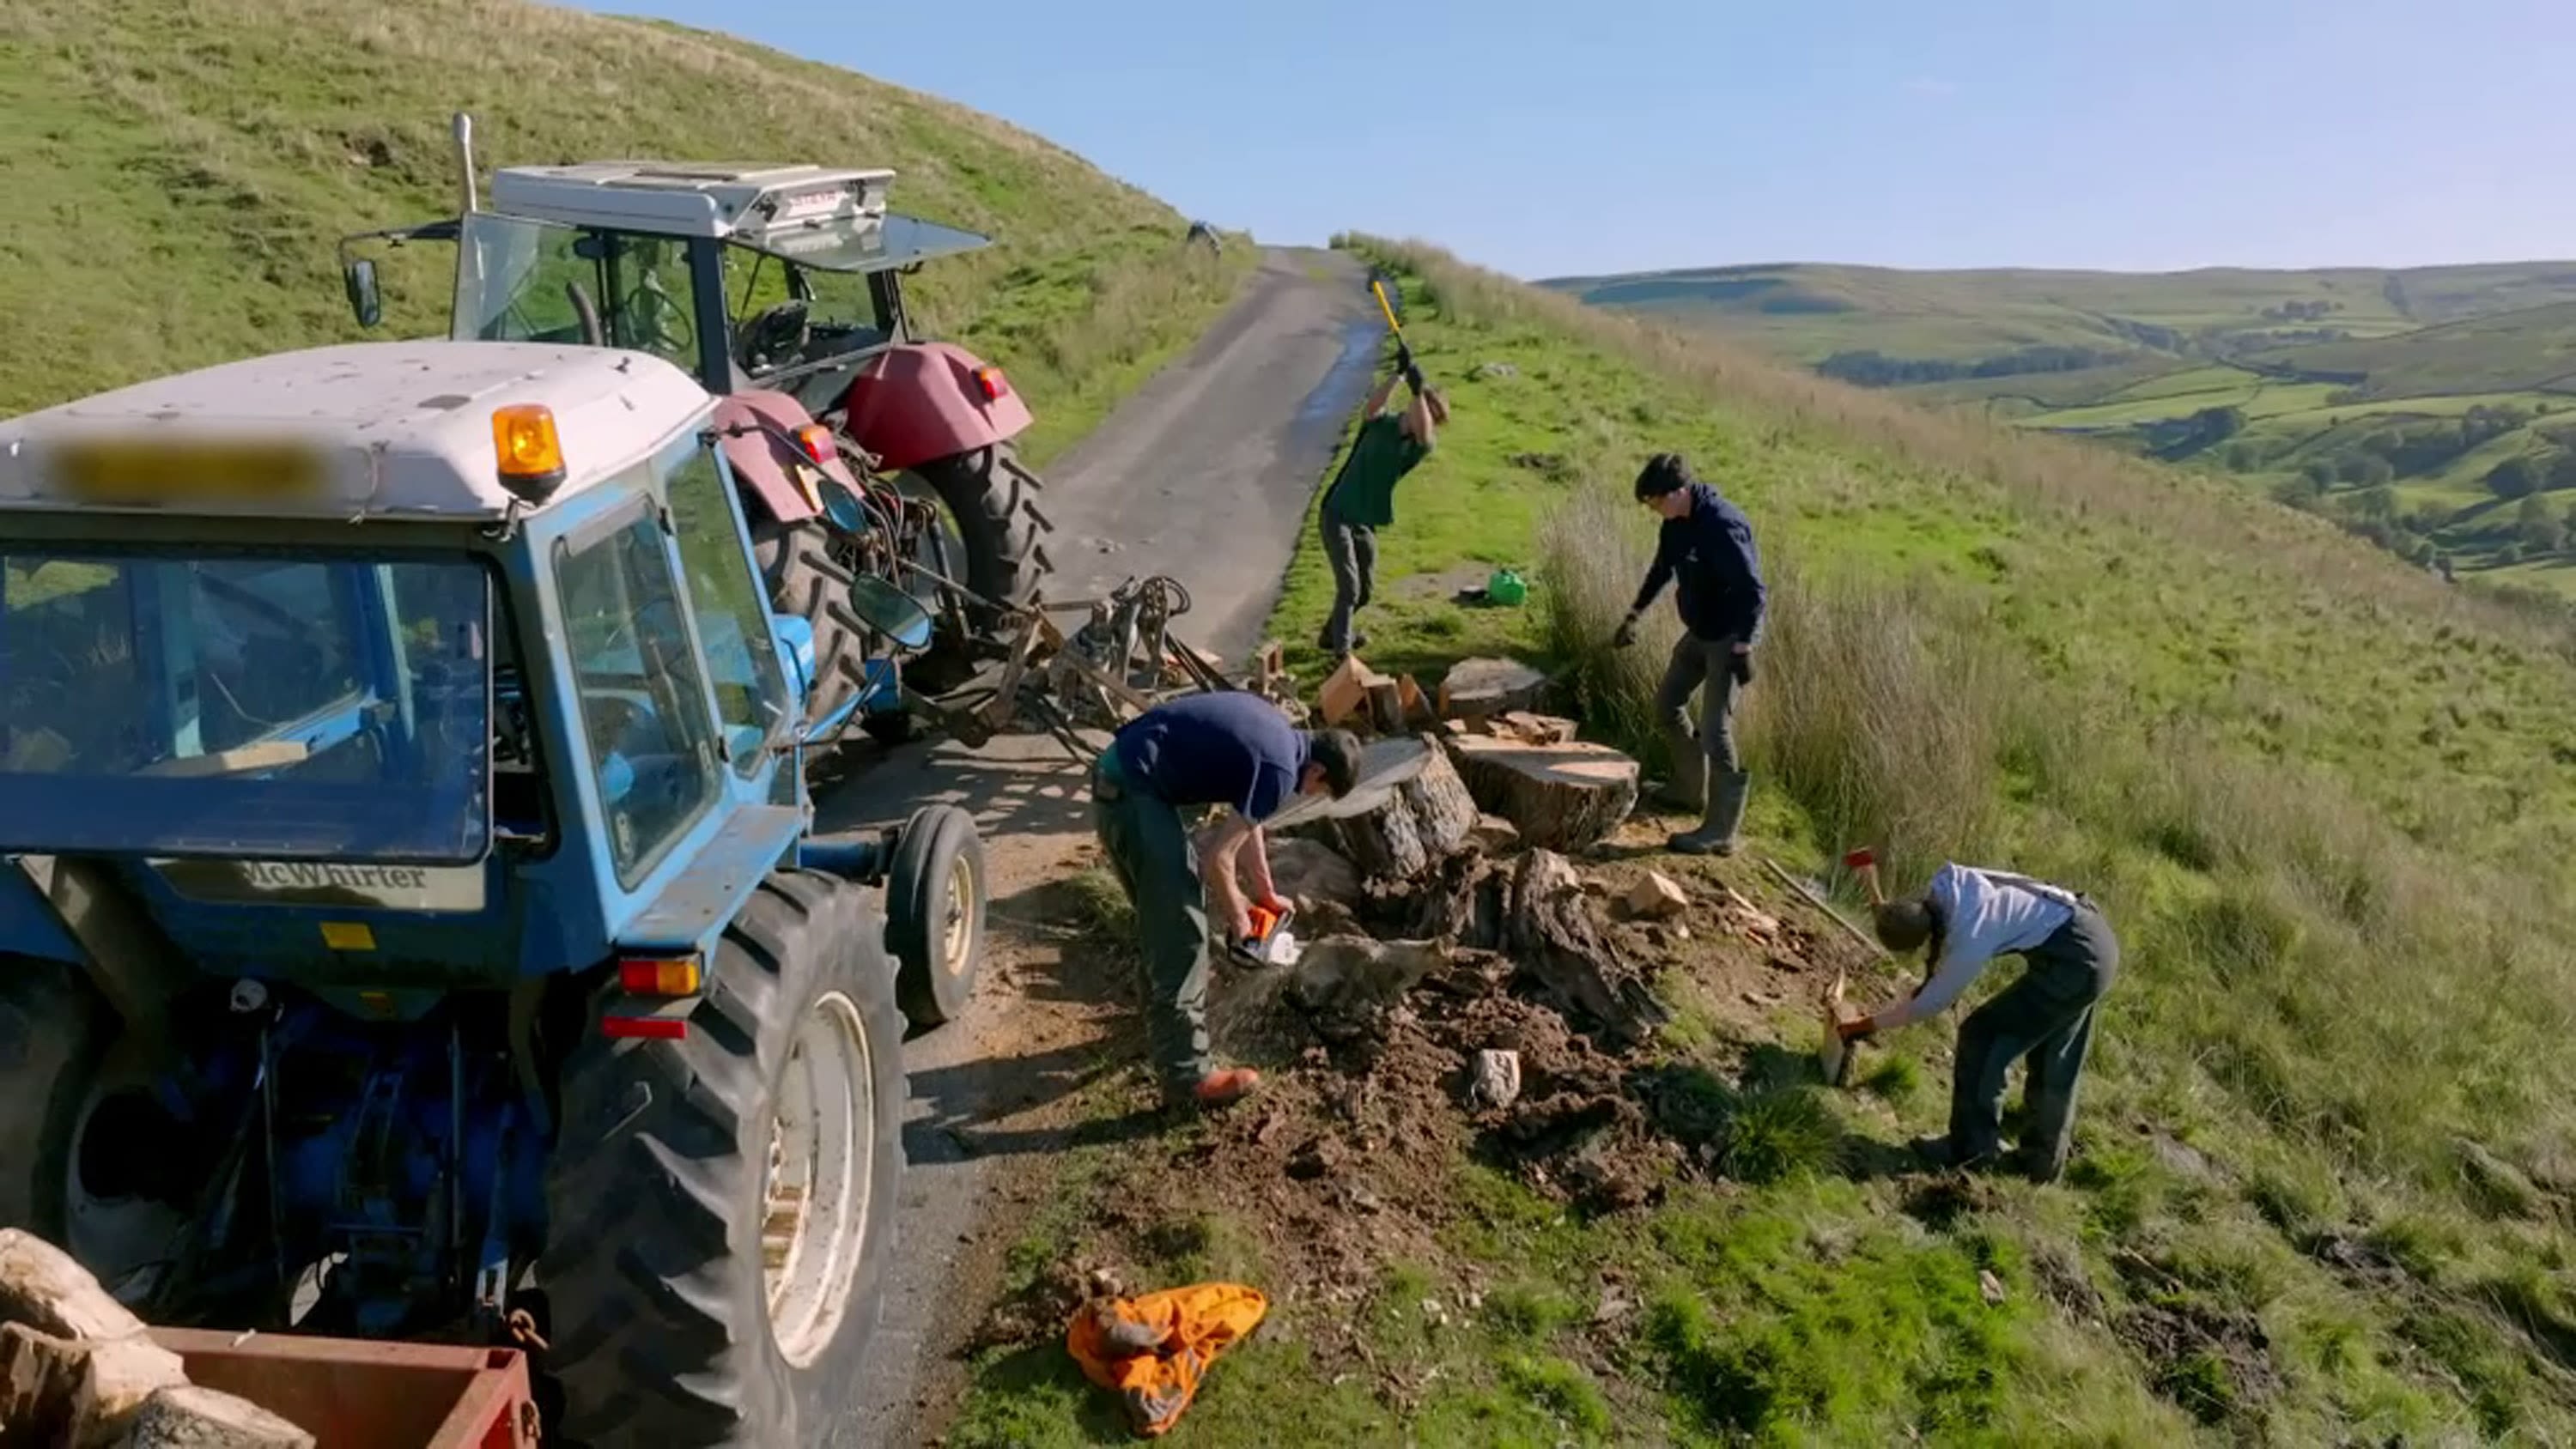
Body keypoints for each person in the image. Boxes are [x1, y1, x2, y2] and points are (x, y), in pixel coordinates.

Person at [1090, 692, 1364, 1111]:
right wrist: (1240, 921)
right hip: (1136, 791)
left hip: (1122, 778)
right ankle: (1188, 1078)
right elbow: (1218, 858)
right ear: (1318, 770)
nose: (1309, 795)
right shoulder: (1280, 768)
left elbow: (1249, 819)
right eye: (1318, 791)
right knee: (1183, 931)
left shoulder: (1280, 739)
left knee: (1161, 922)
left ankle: (1160, 1032)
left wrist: (1265, 891)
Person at [1835, 863, 2121, 1184]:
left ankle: (1971, 1152)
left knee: (1982, 1037)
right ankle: (2040, 1165)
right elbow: (1908, 922)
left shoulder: (1972, 935)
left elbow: (1927, 1005)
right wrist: (1884, 912)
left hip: (2077, 961)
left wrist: (1863, 1026)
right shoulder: (1948, 882)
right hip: (2091, 935)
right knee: (2053, 1055)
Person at [1610, 453, 1767, 854]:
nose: (1654, 510)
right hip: (1700, 631)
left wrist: (1744, 645)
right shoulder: (1674, 525)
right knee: (1666, 705)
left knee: (1715, 729)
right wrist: (1633, 616)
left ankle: (1720, 831)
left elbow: (1753, 592)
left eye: (1656, 502)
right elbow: (1662, 570)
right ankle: (1688, 789)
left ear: (1678, 492)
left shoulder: (1723, 525)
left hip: (1730, 637)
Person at [1315, 343, 1448, 656]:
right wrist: (1399, 375)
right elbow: (1373, 406)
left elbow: (1426, 433)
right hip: (1336, 512)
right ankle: (1343, 655)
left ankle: (1329, 636)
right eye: (1429, 414)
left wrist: (1418, 393)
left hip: (1364, 519)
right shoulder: (1381, 423)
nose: (1428, 423)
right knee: (1349, 588)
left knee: (1365, 593)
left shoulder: (1416, 447)